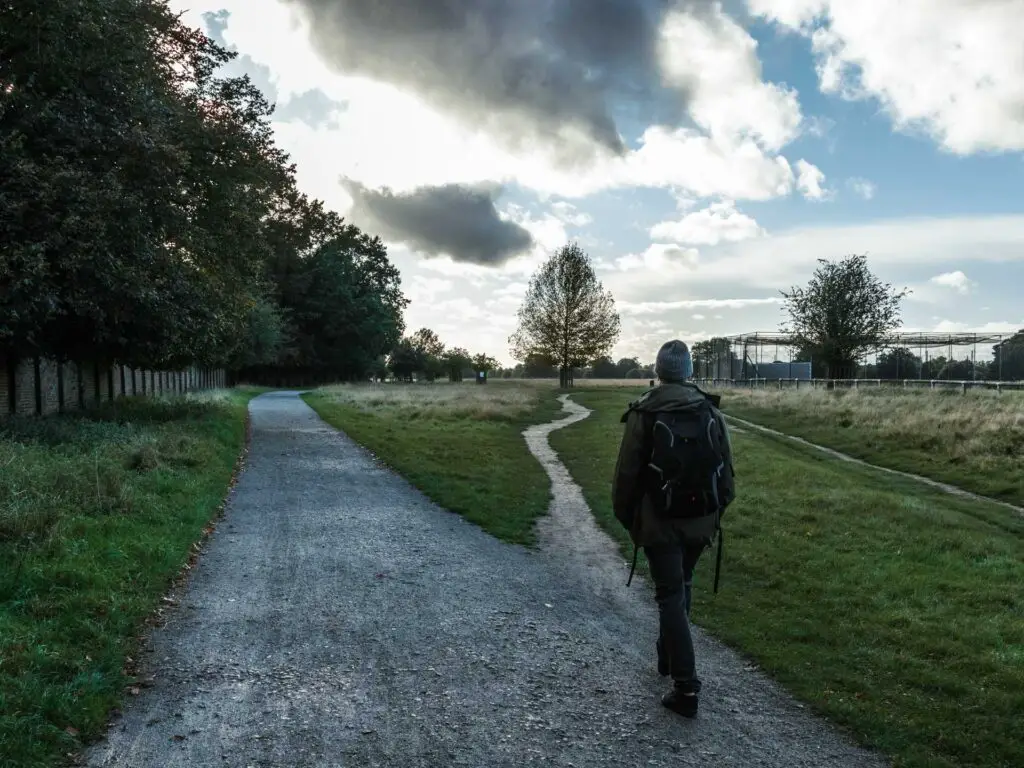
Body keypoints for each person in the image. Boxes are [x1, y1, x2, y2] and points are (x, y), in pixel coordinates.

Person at [612, 340, 735, 718]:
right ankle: (667, 658)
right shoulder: (710, 411)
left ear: (658, 370)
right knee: (681, 586)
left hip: (659, 523)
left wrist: (630, 520)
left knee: (670, 595)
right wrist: (714, 515)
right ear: (690, 371)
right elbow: (727, 476)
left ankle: (686, 687)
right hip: (700, 523)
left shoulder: (644, 411)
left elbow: (626, 478)